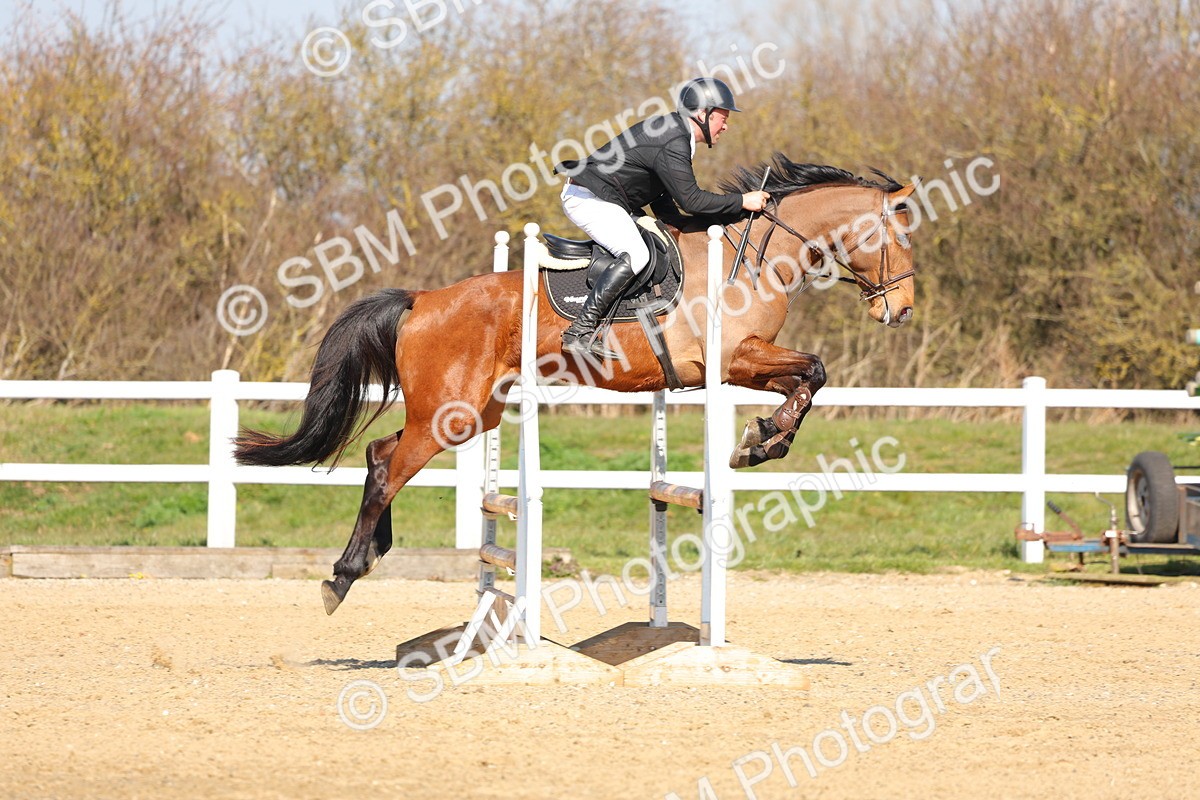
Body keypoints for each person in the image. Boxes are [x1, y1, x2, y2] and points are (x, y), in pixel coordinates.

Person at [555, 77, 771, 359]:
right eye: (723, 118)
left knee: (660, 242)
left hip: (608, 199)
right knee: (636, 254)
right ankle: (580, 331)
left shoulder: (675, 133)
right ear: (702, 113)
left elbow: (664, 203)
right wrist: (742, 201)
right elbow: (692, 200)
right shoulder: (673, 140)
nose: (726, 126)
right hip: (589, 198)